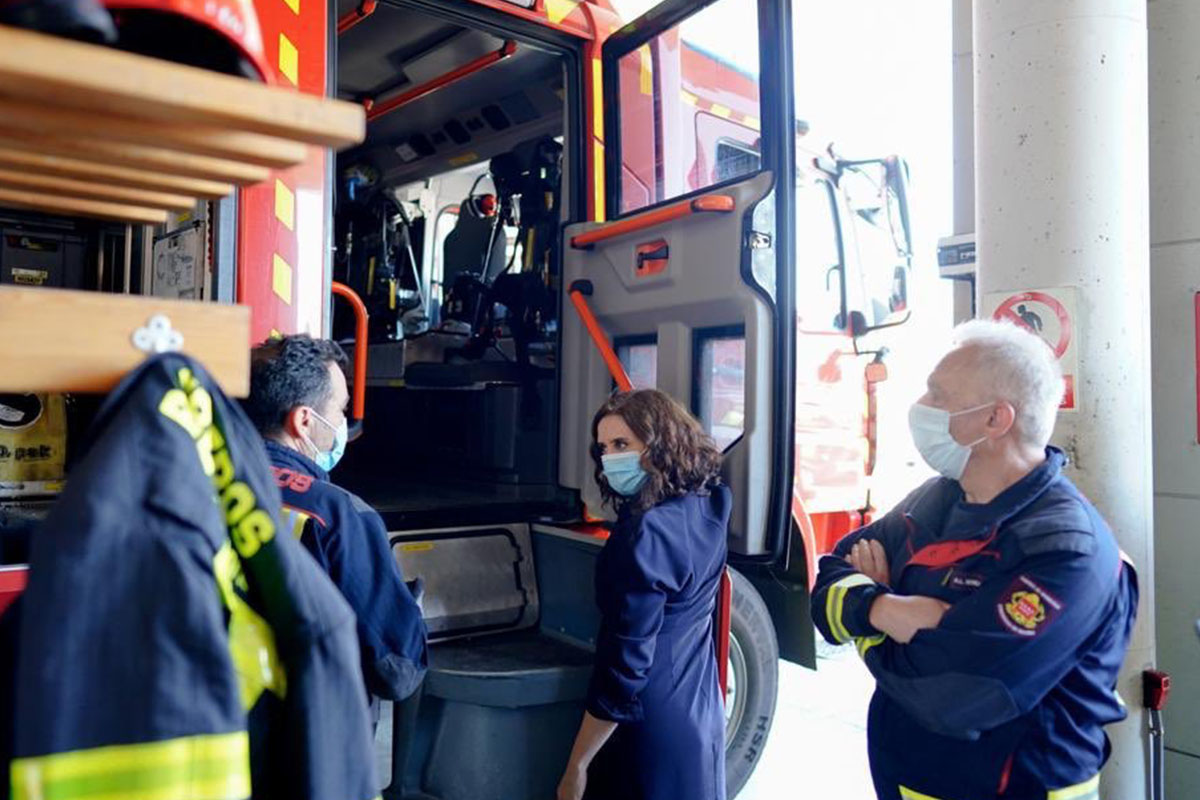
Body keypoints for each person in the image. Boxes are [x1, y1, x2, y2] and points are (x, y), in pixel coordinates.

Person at [811, 320, 1138, 800]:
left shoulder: (1067, 550)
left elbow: (955, 695)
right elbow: (828, 583)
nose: (920, 407)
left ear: (995, 419)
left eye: (937, 395)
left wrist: (864, 622)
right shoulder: (933, 499)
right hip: (910, 778)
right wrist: (887, 610)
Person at [242, 335, 428, 798]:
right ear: (304, 420)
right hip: (310, 761)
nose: (342, 425)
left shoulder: (186, 486)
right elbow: (397, 669)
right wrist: (409, 611)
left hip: (208, 747)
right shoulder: (338, 514)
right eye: (341, 411)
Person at [557, 389, 729, 800]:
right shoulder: (713, 504)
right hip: (701, 708)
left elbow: (625, 669)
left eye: (622, 444)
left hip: (649, 725)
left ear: (659, 446)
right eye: (603, 447)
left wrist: (576, 766)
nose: (609, 458)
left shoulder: (647, 534)